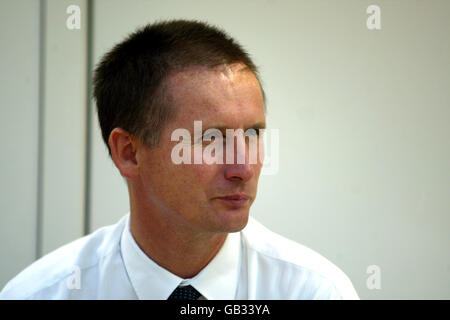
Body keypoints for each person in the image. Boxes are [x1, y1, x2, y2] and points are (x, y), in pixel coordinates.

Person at [0, 19, 359, 300]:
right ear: (129, 152)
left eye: (252, 135)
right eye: (211, 139)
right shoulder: (42, 294)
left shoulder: (313, 292)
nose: (243, 168)